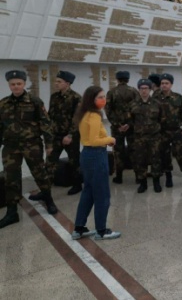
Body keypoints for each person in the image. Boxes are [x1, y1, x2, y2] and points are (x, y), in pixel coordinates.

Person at [0, 70, 58, 229]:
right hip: (10, 147)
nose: (16, 86)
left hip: (31, 145)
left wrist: (49, 145)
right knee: (11, 178)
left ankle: (49, 200)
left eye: (19, 83)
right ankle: (12, 212)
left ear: (24, 84)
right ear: (9, 85)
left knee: (39, 173)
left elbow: (45, 123)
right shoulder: (3, 103)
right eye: (13, 84)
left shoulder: (34, 101)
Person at [72, 85, 120, 240]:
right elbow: (94, 141)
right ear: (91, 99)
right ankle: (101, 231)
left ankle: (79, 228)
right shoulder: (93, 116)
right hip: (96, 155)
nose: (103, 100)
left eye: (104, 97)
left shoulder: (84, 113)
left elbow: (90, 139)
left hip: (87, 155)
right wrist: (110, 139)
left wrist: (104, 140)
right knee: (102, 194)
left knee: (88, 192)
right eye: (100, 97)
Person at [45, 70, 82, 195]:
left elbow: (77, 118)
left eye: (59, 81)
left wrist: (70, 135)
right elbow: (51, 115)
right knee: (50, 161)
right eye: (56, 81)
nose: (56, 83)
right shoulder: (54, 97)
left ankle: (77, 185)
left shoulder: (76, 98)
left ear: (68, 83)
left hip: (70, 136)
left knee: (74, 161)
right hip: (56, 135)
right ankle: (45, 190)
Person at [153, 73, 182, 188]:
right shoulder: (155, 98)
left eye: (166, 83)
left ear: (171, 84)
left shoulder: (178, 97)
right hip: (162, 132)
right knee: (165, 155)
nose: (164, 85)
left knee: (181, 153)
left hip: (176, 130)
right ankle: (168, 176)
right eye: (162, 83)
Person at [105, 71, 139, 184]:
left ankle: (119, 177)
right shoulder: (134, 91)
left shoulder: (111, 92)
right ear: (128, 79)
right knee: (134, 150)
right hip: (131, 127)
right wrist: (129, 123)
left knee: (118, 151)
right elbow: (137, 109)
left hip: (117, 128)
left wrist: (117, 124)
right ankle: (138, 176)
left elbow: (108, 110)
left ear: (117, 79)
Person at [130, 79, 163, 193]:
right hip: (140, 137)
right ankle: (143, 183)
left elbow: (161, 119)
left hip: (154, 137)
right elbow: (131, 120)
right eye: (141, 88)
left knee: (156, 159)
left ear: (150, 90)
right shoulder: (133, 104)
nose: (144, 91)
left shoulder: (157, 103)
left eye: (146, 88)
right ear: (139, 90)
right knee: (140, 160)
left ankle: (156, 182)